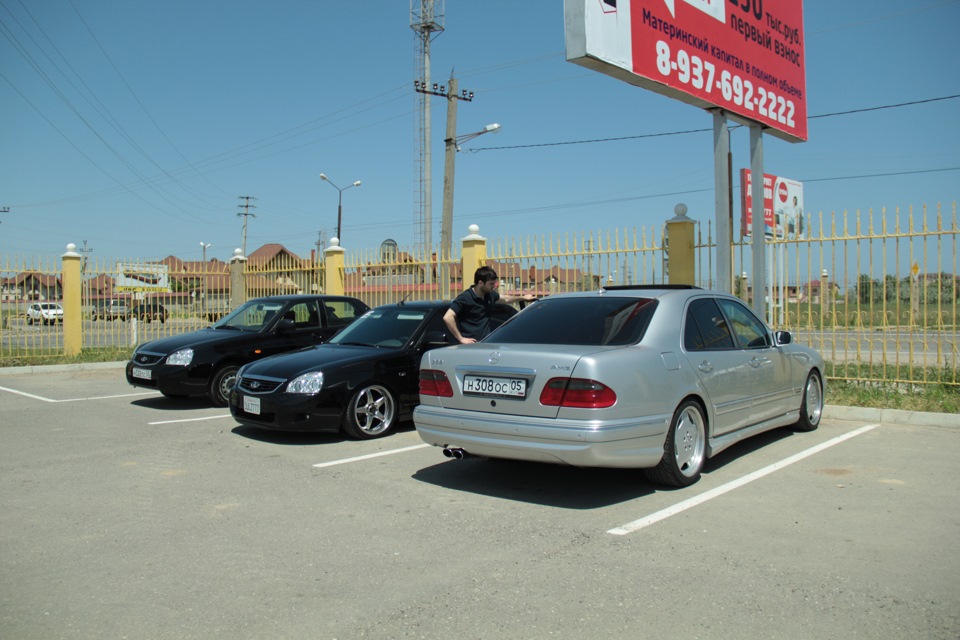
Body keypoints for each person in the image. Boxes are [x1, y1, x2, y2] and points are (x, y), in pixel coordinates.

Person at [444, 266, 536, 343]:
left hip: (486, 343)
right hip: (471, 346)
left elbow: (505, 299)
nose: (494, 286)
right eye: (491, 284)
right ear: (480, 283)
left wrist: (523, 298)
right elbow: (448, 317)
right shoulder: (465, 298)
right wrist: (461, 339)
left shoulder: (489, 295)